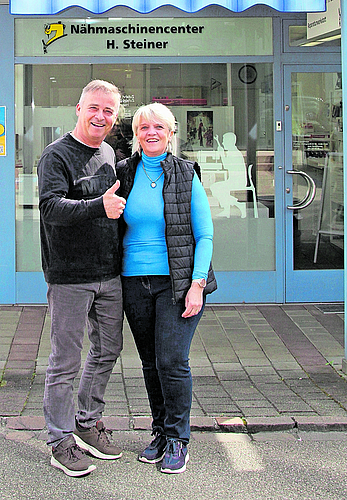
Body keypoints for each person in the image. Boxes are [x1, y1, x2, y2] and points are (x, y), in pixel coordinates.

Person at [116, 102, 217, 474]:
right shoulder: (124, 172)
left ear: (171, 132)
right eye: (144, 127)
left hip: (177, 284)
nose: (151, 133)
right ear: (136, 135)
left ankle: (178, 438)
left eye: (159, 127)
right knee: (149, 362)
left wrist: (197, 284)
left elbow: (204, 234)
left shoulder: (185, 173)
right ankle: (159, 430)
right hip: (133, 282)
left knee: (172, 361)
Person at [37, 79, 126, 478]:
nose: (101, 116)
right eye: (94, 108)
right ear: (78, 108)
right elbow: (51, 208)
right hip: (70, 276)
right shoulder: (56, 156)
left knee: (108, 349)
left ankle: (87, 423)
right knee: (65, 360)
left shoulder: (108, 152)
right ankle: (60, 440)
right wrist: (98, 206)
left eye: (109, 111)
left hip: (108, 274)